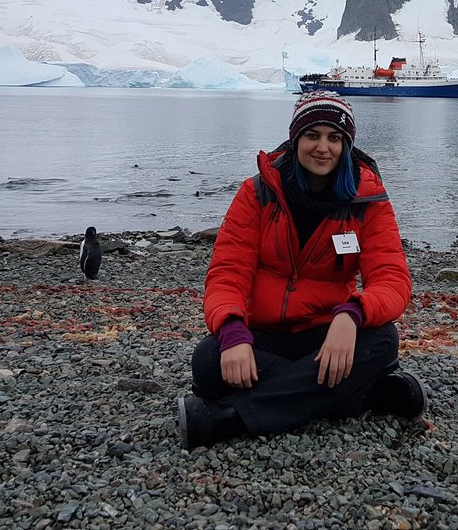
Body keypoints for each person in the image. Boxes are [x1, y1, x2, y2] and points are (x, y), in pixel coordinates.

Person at [180, 90, 425, 449]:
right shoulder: (258, 193)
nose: (323, 148)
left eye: (334, 137)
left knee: (384, 341)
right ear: (296, 139)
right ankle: (362, 395)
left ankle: (228, 418)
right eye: (313, 135)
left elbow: (391, 279)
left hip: (326, 332)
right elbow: (228, 272)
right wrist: (232, 330)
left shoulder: (367, 200)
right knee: (207, 361)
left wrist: (353, 314)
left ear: (347, 144)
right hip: (263, 332)